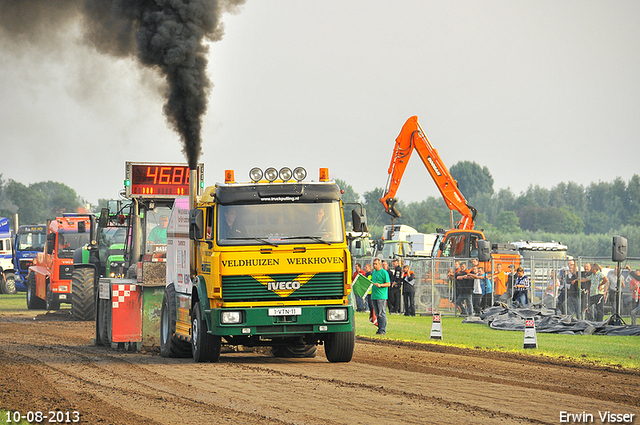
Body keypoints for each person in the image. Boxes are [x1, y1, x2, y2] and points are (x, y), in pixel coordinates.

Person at [370, 258, 390, 335]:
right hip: (374, 296)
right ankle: (379, 328)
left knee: (382, 313)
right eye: (373, 264)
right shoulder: (374, 272)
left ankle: (383, 329)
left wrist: (380, 285)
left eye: (376, 264)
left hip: (381, 296)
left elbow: (388, 283)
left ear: (380, 264)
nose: (374, 265)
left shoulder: (384, 272)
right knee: (377, 314)